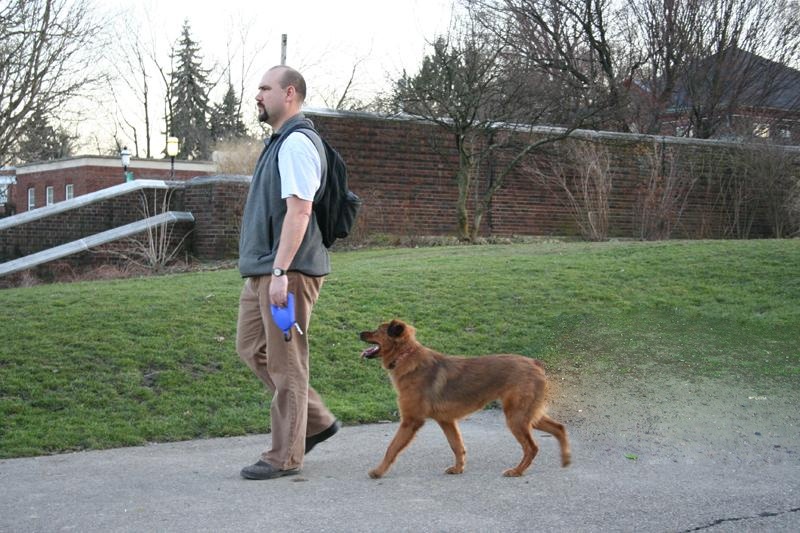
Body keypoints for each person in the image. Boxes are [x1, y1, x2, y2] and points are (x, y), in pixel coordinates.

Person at [237, 65, 339, 480]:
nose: (258, 95)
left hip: (287, 275)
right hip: (264, 272)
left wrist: (280, 271)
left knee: (286, 362)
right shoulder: (278, 142)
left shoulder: (296, 143)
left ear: (289, 93)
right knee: (251, 348)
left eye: (265, 88)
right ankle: (314, 421)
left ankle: (285, 456)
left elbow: (299, 212)